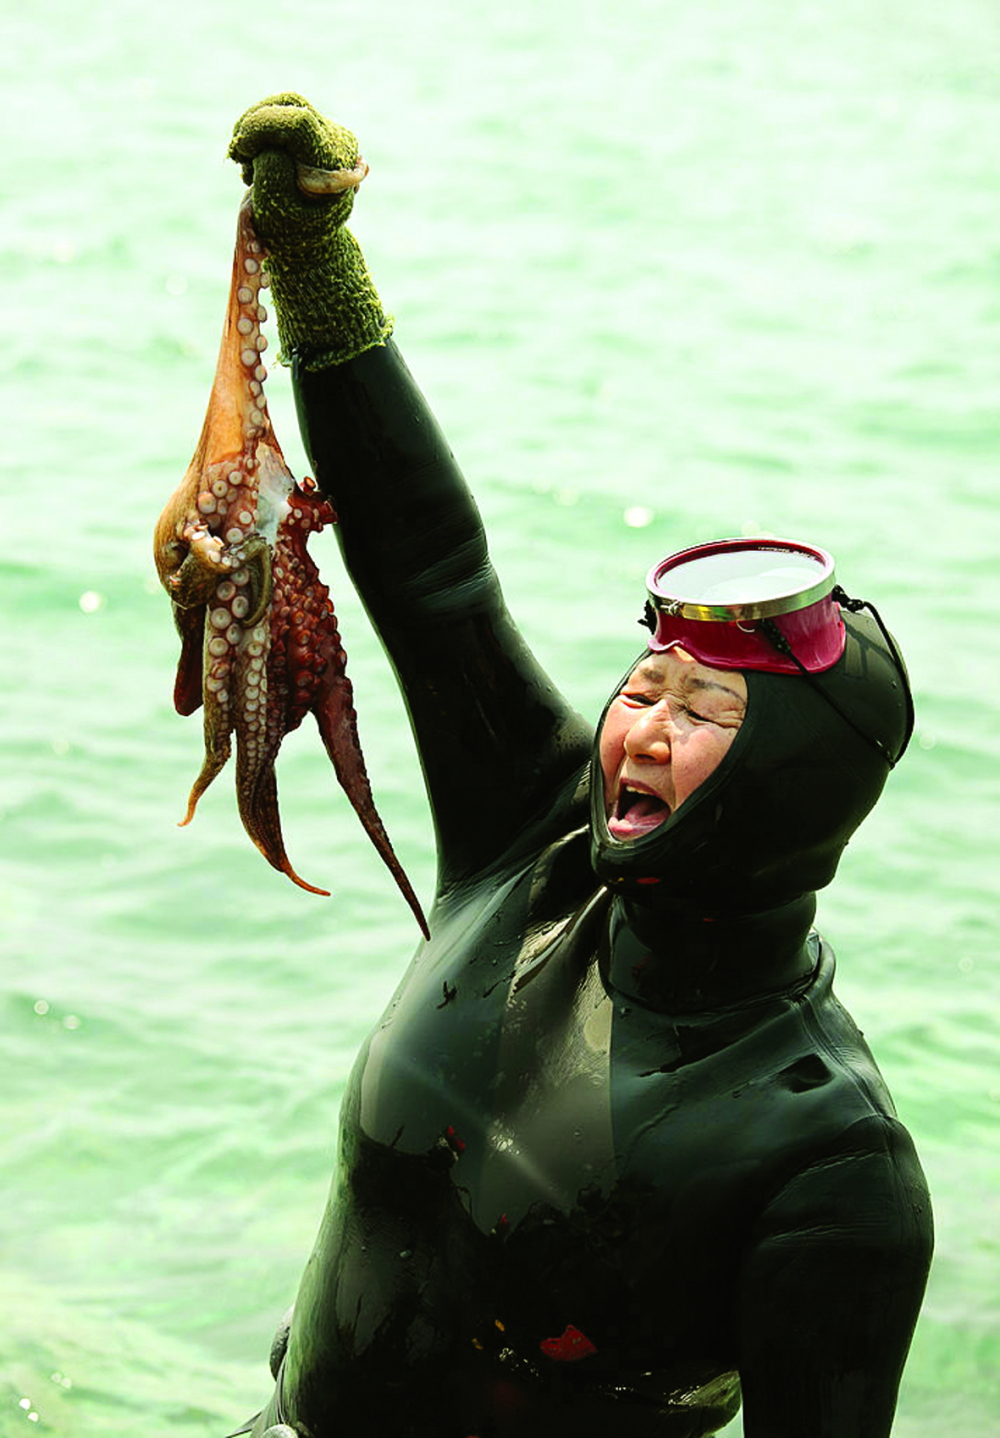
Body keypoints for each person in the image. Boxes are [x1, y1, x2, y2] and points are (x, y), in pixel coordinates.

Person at [224, 94, 932, 1438]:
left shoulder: (828, 1165)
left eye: (703, 708)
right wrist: (312, 260)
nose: (642, 728)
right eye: (644, 685)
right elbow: (435, 580)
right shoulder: (530, 837)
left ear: (792, 783)